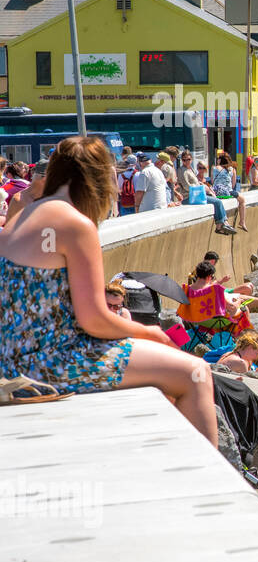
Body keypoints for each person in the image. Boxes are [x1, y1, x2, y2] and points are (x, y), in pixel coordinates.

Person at [0, 135, 217, 443]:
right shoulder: (75, 225)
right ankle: (211, 486)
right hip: (50, 363)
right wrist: (150, 332)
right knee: (195, 373)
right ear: (99, 180)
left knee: (165, 373)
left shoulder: (23, 216)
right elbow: (93, 320)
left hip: (11, 360)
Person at [210, 155, 248, 230]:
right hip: (227, 193)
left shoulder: (214, 168)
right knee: (242, 200)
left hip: (215, 193)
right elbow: (233, 184)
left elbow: (212, 181)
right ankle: (242, 221)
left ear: (220, 161)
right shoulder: (232, 169)